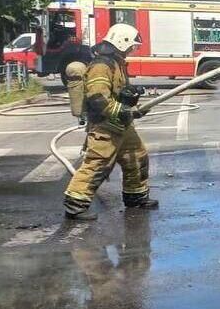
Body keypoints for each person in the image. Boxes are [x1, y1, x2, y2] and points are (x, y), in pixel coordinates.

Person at [62, 23, 157, 220]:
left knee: (137, 156)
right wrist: (122, 111)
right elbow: (97, 97)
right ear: (122, 42)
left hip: (120, 124)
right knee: (98, 163)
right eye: (131, 46)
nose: (132, 50)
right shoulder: (102, 65)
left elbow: (116, 91)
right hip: (105, 125)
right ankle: (75, 205)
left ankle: (135, 196)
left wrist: (129, 96)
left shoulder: (117, 62)